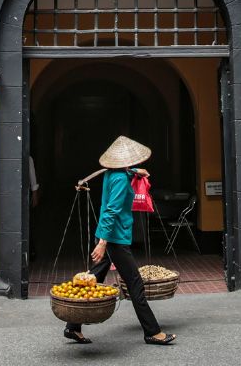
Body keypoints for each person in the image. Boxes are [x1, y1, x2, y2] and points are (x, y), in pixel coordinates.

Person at [63, 136, 177, 347]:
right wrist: (103, 242)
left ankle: (72, 326)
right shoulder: (121, 179)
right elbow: (111, 210)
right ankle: (152, 332)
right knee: (135, 284)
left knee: (94, 278)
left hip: (109, 236)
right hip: (114, 238)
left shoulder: (113, 173)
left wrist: (136, 172)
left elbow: (122, 175)